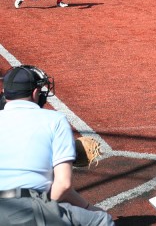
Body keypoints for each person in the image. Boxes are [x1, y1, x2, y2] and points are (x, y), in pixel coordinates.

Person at [0, 65, 114, 225]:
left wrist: (86, 206)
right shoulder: (55, 120)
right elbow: (63, 184)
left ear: (5, 93)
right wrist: (45, 206)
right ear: (35, 93)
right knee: (102, 221)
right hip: (28, 208)